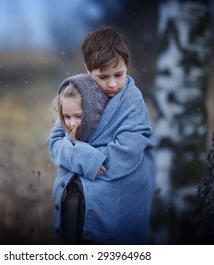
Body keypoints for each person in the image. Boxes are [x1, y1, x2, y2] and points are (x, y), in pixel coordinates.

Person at [47, 26, 156, 244]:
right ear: (88, 69)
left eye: (119, 74)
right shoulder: (77, 92)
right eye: (103, 76)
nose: (113, 83)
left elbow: (126, 154)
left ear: (127, 66)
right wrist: (86, 159)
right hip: (78, 206)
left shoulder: (132, 102)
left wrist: (87, 158)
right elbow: (55, 143)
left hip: (121, 200)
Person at [51, 73, 109, 244]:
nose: (71, 123)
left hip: (94, 218)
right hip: (69, 208)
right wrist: (81, 157)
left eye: (78, 116)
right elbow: (54, 144)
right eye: (67, 117)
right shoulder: (64, 131)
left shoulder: (104, 131)